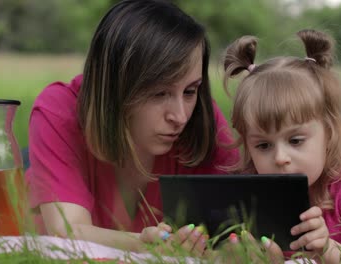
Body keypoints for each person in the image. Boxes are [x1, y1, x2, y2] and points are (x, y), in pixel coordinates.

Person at [26, 0, 238, 254]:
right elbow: (67, 231)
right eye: (159, 93)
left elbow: (250, 217)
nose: (180, 116)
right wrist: (146, 245)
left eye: (191, 90)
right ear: (115, 87)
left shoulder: (201, 119)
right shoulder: (58, 110)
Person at [222, 29, 341, 263]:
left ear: (329, 132)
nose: (280, 158)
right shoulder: (250, 195)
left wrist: (326, 248)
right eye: (263, 145)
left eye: (295, 140)